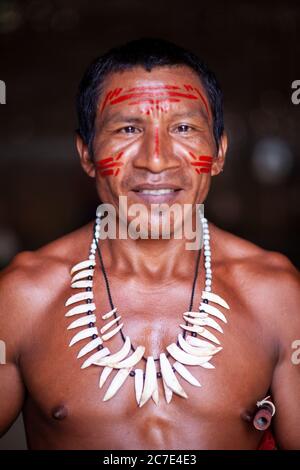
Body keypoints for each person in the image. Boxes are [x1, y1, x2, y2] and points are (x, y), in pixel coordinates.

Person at [0, 38, 299, 450]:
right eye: (127, 129)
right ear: (86, 154)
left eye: (183, 128)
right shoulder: (24, 296)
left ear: (219, 152)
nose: (155, 160)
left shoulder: (276, 294)